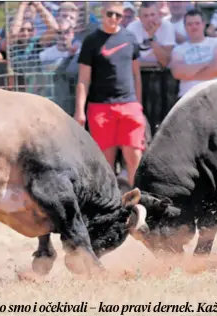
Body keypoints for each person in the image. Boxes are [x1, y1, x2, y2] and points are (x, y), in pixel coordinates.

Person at [75, 1, 147, 187]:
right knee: (106, 163)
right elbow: (83, 79)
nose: (114, 18)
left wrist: (138, 105)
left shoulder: (130, 38)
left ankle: (137, 204)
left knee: (135, 157)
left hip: (129, 105)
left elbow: (136, 75)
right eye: (110, 14)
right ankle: (112, 208)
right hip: (100, 107)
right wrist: (79, 111)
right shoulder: (91, 41)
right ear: (102, 12)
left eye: (118, 15)